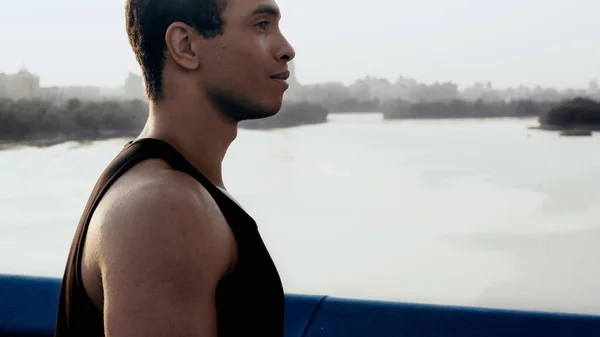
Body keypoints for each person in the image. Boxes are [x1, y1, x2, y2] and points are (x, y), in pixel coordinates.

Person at [53, 0, 295, 336]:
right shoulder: (163, 208)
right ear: (185, 46)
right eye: (261, 25)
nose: (286, 50)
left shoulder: (168, 189)